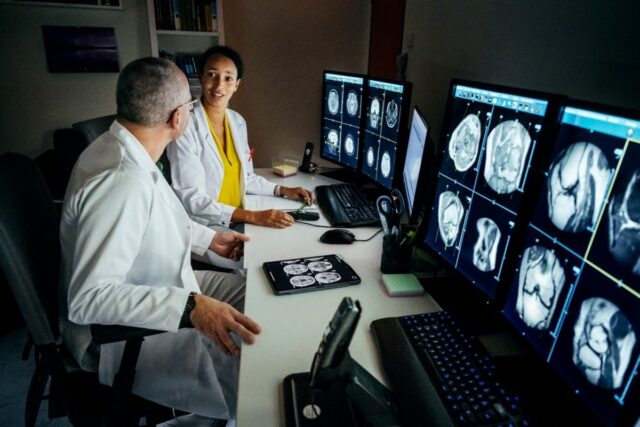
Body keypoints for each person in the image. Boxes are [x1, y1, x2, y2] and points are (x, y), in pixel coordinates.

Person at [59, 57, 261, 420]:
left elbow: (158, 217)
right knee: (250, 373)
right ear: (178, 118)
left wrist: (209, 239)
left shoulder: (125, 147)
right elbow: (87, 299)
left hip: (161, 280)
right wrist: (191, 308)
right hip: (120, 335)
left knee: (257, 296)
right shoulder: (120, 182)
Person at [166, 45, 315, 229]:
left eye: (228, 78)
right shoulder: (185, 125)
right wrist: (253, 216)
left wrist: (283, 190)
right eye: (212, 75)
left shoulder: (237, 121)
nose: (219, 85)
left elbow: (247, 177)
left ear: (236, 85)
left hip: (240, 217)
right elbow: (192, 197)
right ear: (201, 78)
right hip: (207, 227)